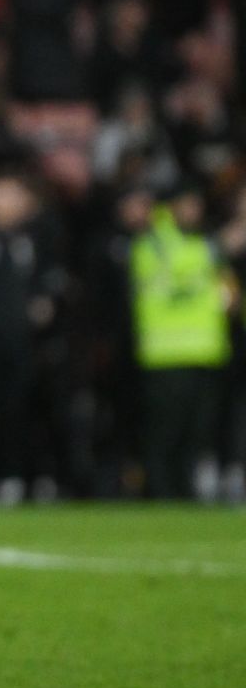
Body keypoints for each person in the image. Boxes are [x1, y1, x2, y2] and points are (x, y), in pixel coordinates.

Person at [129, 187, 236, 498]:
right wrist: (218, 248)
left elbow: (223, 288)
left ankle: (187, 493)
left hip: (206, 350)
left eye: (195, 204)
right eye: (186, 205)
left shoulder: (200, 244)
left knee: (197, 430)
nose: (192, 211)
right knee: (166, 430)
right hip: (165, 353)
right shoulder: (154, 242)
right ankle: (161, 492)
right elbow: (174, 274)